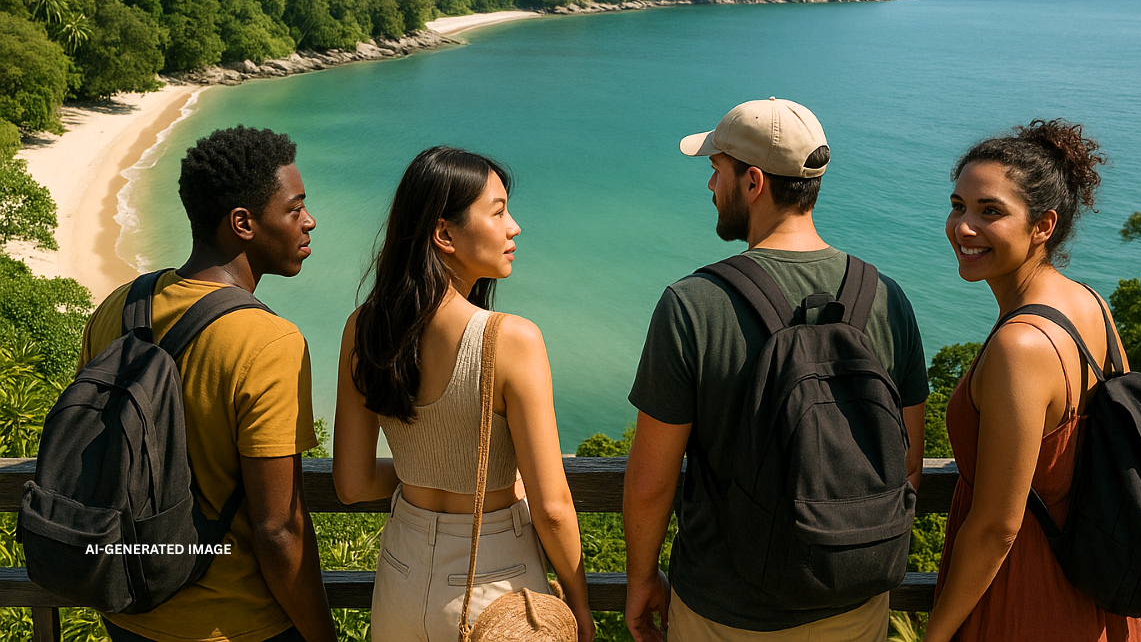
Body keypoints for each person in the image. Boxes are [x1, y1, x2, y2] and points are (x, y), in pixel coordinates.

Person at [624, 97, 929, 642]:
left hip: (725, 614)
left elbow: (652, 483)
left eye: (717, 171)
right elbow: (906, 463)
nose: (710, 186)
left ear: (753, 182)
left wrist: (642, 578)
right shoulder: (886, 297)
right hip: (856, 607)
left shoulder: (693, 304)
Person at [78, 126, 335, 642]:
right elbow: (278, 528)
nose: (309, 221)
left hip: (127, 609)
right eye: (294, 209)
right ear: (243, 223)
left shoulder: (119, 306)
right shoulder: (270, 342)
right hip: (233, 623)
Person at [331, 146, 593, 642]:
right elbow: (552, 508)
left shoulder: (363, 329)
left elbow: (352, 483)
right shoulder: (510, 339)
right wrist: (579, 605)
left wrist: (426, 471)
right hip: (494, 583)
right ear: (444, 234)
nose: (514, 227)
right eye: (498, 212)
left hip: (400, 578)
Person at [926, 119, 1141, 642]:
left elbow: (997, 527)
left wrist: (933, 637)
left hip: (1024, 599)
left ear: (1043, 226)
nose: (963, 227)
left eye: (990, 211)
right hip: (1093, 591)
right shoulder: (1090, 303)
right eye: (958, 206)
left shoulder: (1020, 346)